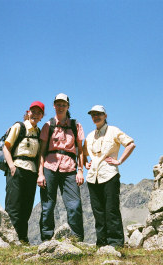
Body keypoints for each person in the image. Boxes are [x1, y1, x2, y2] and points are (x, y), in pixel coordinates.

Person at [83, 105, 136, 248]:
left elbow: (130, 144)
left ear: (105, 115)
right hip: (93, 177)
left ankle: (116, 243)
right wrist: (84, 163)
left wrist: (119, 161)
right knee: (98, 211)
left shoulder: (113, 131)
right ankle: (101, 243)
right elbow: (81, 152)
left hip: (109, 175)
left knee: (111, 209)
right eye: (93, 114)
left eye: (99, 114)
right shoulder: (89, 136)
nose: (96, 117)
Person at [37, 93, 85, 241]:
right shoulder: (48, 125)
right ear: (54, 105)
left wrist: (81, 171)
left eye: (63, 104)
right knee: (48, 206)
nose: (61, 107)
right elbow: (41, 151)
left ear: (68, 106)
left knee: (74, 204)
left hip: (70, 168)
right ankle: (46, 239)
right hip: (49, 167)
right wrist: (40, 173)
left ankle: (77, 238)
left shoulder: (76, 125)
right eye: (58, 104)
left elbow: (80, 150)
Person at [3, 101, 45, 244]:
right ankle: (11, 239)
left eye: (39, 113)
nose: (35, 114)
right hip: (17, 168)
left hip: (31, 171)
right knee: (13, 205)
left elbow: (39, 154)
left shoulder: (38, 132)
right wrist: (11, 166)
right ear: (28, 112)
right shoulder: (19, 127)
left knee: (26, 206)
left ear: (42, 116)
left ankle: (22, 238)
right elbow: (6, 147)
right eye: (33, 111)